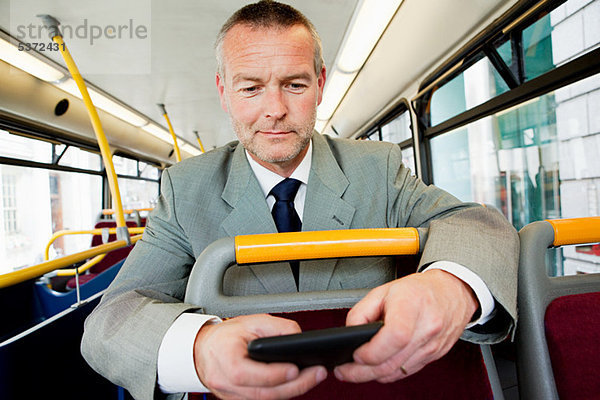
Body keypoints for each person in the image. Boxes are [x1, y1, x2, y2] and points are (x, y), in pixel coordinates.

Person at [81, 1, 519, 400]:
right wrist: (201, 348)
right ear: (223, 91)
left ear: (320, 83)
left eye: (293, 84)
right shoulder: (185, 190)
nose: (274, 109)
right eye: (250, 89)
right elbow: (111, 320)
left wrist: (450, 287)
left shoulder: (377, 169)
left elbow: (474, 223)